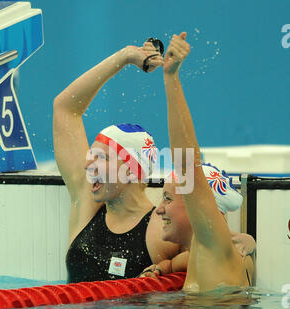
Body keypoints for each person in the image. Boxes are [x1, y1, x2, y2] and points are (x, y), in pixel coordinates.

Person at [53, 40, 181, 283]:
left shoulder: (158, 228)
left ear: (132, 169)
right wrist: (124, 57)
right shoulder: (87, 206)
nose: (88, 165)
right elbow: (64, 107)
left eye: (101, 158)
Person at [146, 32, 255, 291]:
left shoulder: (213, 245)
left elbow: (186, 163)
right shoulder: (221, 251)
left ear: (200, 203)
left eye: (169, 198)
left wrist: (171, 79)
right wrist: (168, 266)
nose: (159, 209)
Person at [139, 163, 255, 281]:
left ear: (197, 208)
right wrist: (158, 269)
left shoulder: (221, 258)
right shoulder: (193, 256)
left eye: (168, 199)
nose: (158, 210)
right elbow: (171, 265)